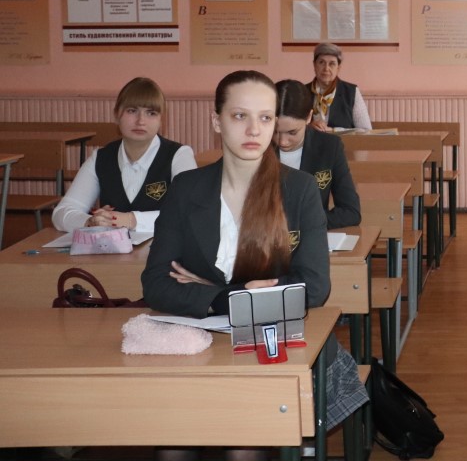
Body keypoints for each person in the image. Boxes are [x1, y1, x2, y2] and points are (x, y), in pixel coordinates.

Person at [142, 71, 365, 460]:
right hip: (200, 342)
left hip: (272, 341)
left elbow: (313, 287)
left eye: (265, 118)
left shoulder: (298, 189)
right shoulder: (187, 188)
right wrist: (236, 297)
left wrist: (210, 292)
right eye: (239, 116)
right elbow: (156, 283)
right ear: (217, 121)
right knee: (174, 445)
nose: (253, 129)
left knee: (241, 447)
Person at [51, 77, 196, 233]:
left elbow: (192, 212)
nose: (140, 121)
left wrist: (131, 220)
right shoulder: (101, 158)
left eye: (151, 113)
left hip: (164, 247)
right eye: (132, 111)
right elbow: (61, 213)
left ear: (162, 121)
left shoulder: (179, 155)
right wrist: (90, 222)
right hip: (111, 249)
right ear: (116, 115)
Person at [275, 78, 361, 228]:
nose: (282, 141)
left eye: (292, 132)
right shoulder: (256, 148)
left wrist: (301, 223)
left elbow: (351, 212)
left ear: (309, 117)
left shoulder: (329, 147)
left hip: (311, 234)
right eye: (275, 131)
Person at [308, 42, 371, 132]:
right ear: (314, 65)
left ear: (338, 67)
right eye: (321, 62)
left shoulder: (351, 92)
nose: (326, 68)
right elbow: (291, 127)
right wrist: (308, 127)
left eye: (332, 64)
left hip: (344, 141)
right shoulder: (302, 92)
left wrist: (333, 130)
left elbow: (366, 130)